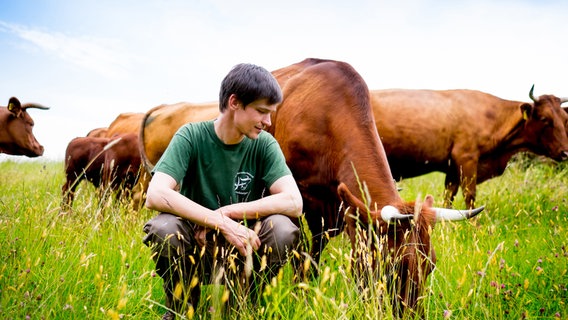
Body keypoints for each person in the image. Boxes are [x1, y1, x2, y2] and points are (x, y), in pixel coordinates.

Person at [142, 63, 303, 319]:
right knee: (164, 228)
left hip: (245, 245)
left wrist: (226, 215)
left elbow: (294, 201)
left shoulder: (264, 145)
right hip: (195, 243)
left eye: (271, 113)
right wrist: (217, 222)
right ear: (235, 102)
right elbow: (155, 194)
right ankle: (183, 307)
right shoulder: (191, 136)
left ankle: (241, 304)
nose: (268, 122)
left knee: (283, 229)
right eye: (262, 111)